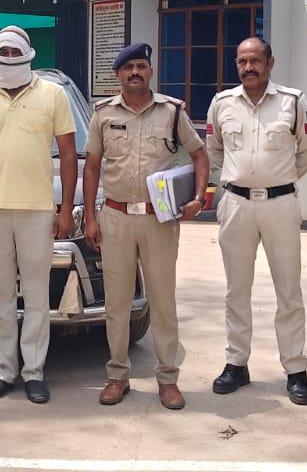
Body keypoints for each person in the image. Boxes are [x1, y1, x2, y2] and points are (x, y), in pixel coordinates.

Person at [81, 42, 208, 410]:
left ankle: (168, 379)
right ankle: (117, 375)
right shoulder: (103, 114)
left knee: (163, 300)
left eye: (141, 66)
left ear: (150, 71)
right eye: (128, 68)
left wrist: (198, 197)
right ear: (118, 75)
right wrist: (90, 217)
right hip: (116, 216)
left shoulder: (171, 112)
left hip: (159, 219)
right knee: (117, 302)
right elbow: (92, 166)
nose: (135, 72)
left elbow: (199, 155)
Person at [0, 25, 77, 404]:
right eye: (3, 53)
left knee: (37, 296)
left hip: (38, 210)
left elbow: (69, 155)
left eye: (15, 52)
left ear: (28, 54)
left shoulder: (53, 94)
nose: (9, 58)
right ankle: (4, 371)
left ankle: (34, 373)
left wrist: (65, 209)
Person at [205, 37, 307, 405]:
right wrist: (242, 176)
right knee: (236, 289)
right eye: (242, 61)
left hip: (280, 204)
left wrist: (277, 178)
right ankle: (236, 363)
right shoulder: (222, 103)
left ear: (270, 62)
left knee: (289, 291)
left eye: (255, 60)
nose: (248, 67)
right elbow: (215, 149)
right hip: (236, 204)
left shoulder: (293, 102)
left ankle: (296, 369)